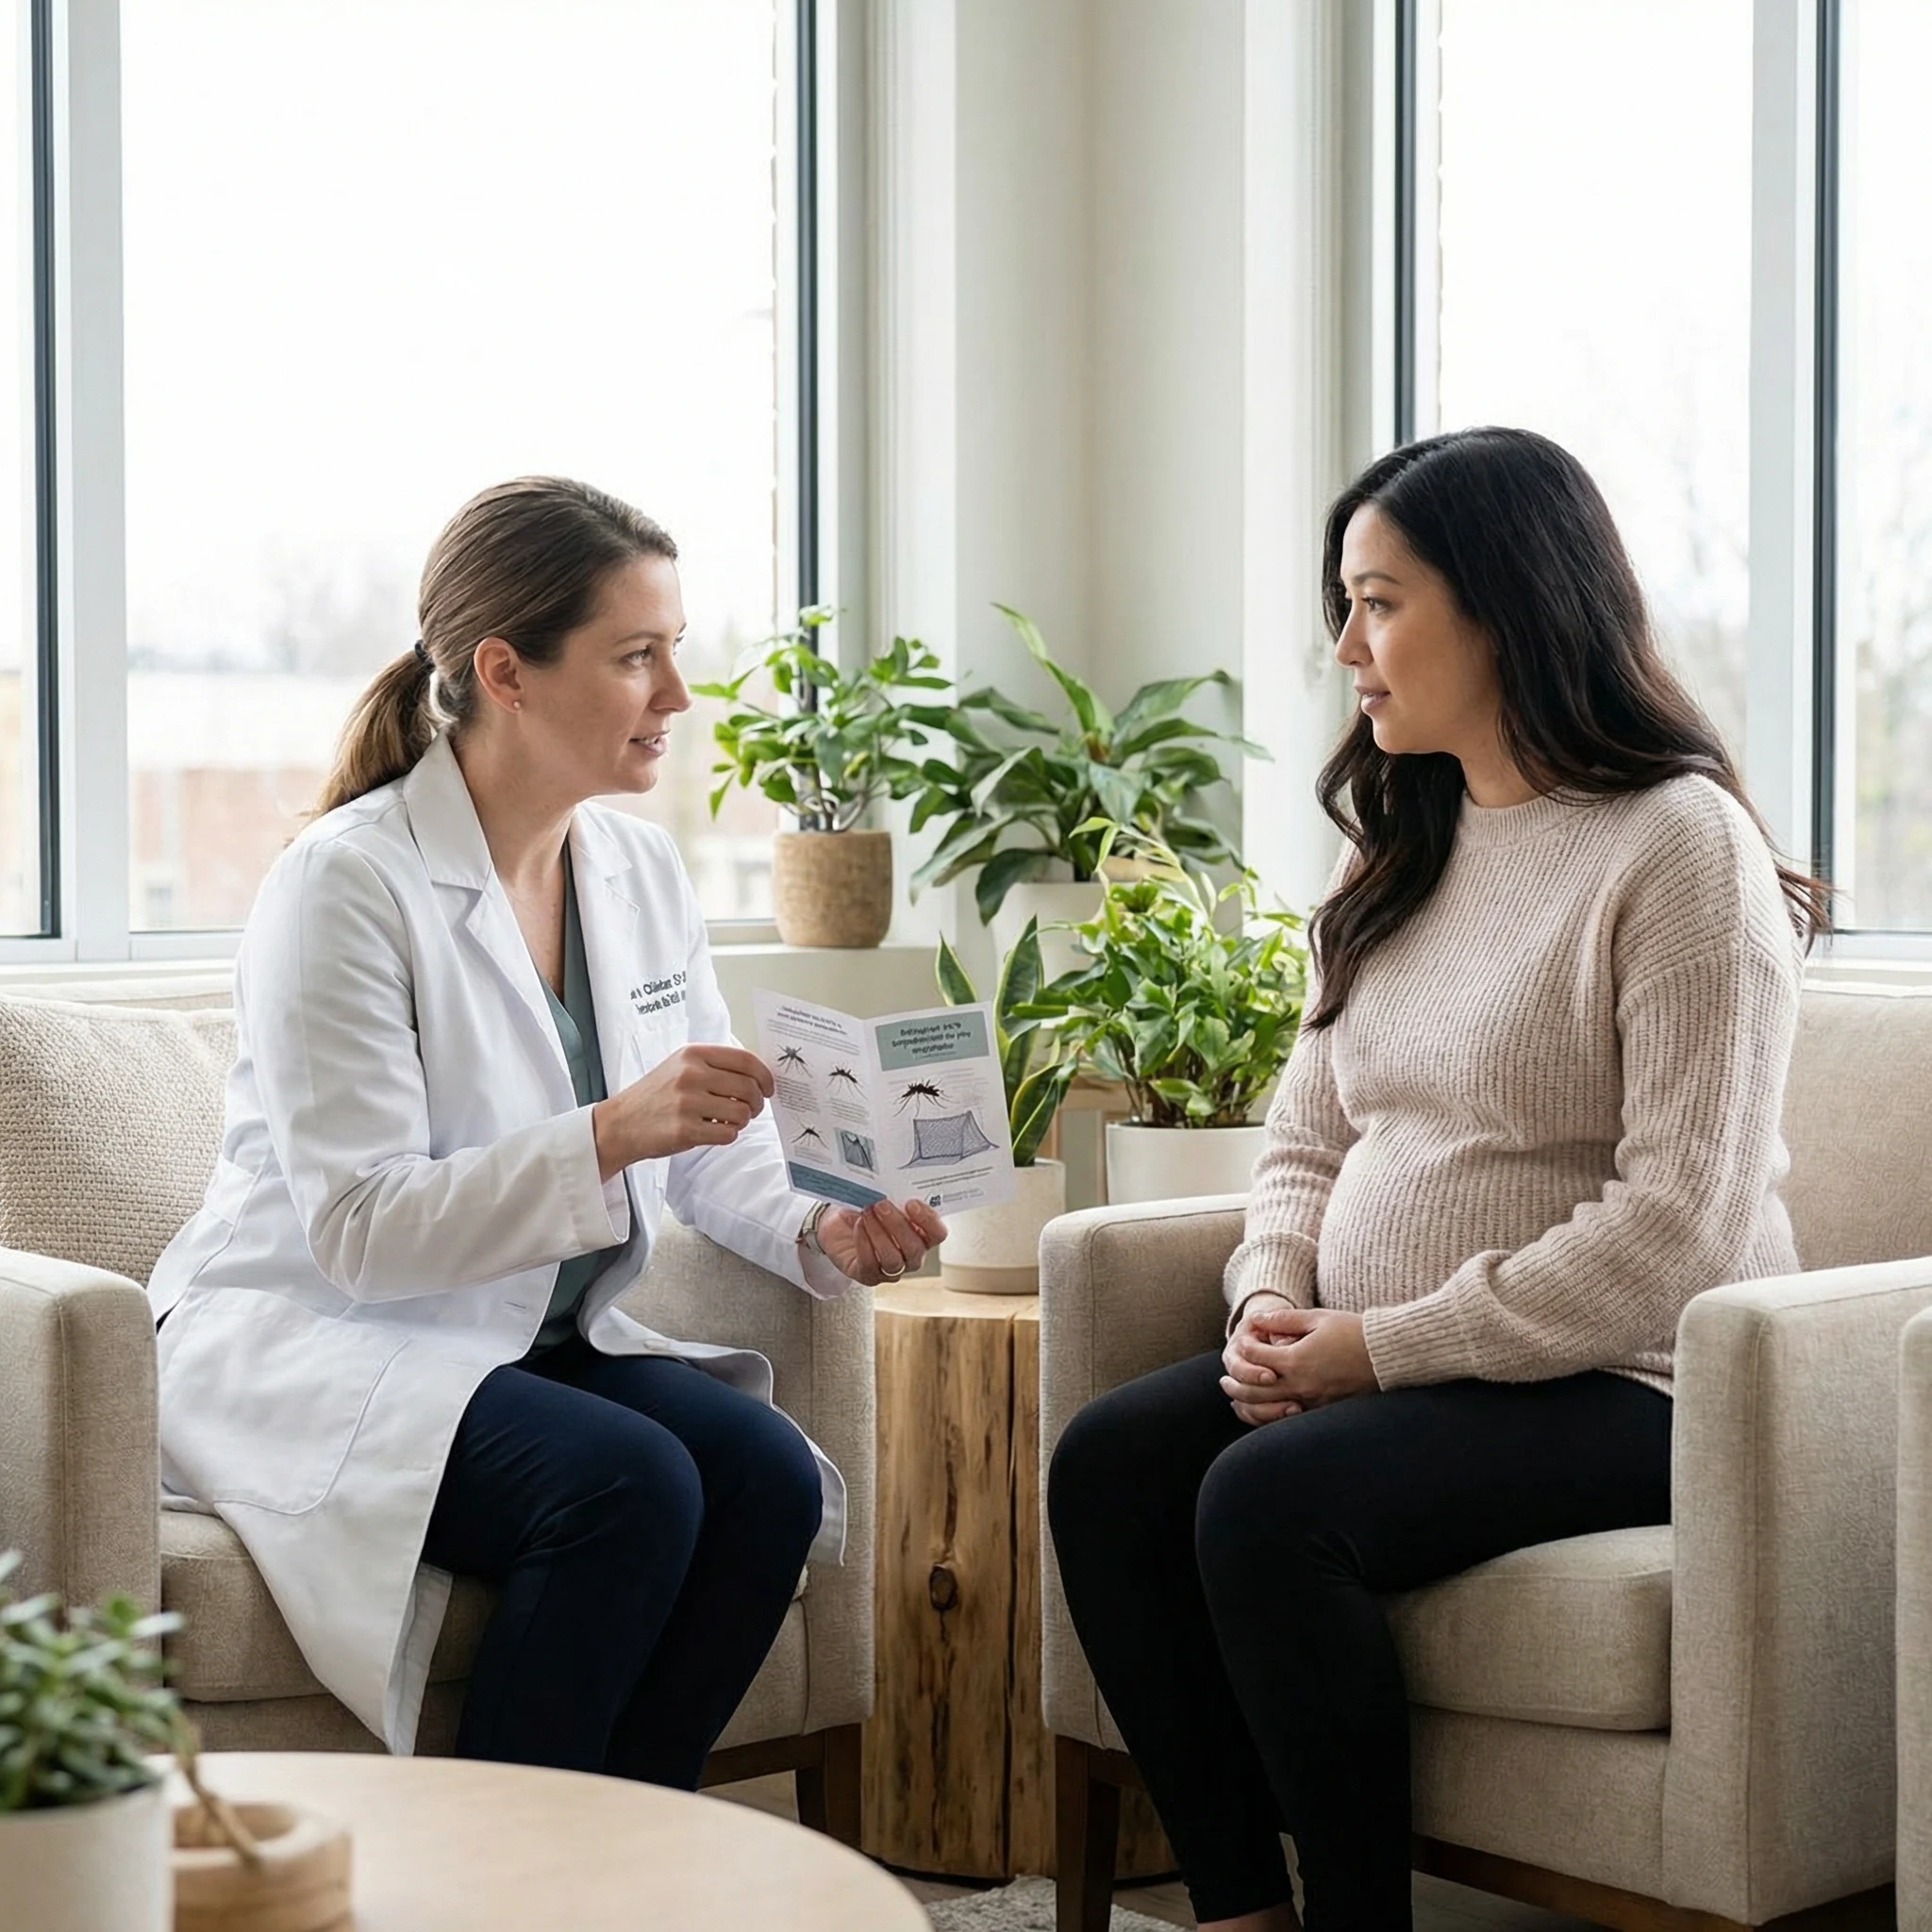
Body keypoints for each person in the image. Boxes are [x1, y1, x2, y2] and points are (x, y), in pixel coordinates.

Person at [1047, 427, 1827, 1931]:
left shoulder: (1678, 848)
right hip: (1385, 1361)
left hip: (1633, 1379)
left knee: (1267, 1505)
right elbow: (1305, 1139)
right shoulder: (1402, 842)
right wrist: (1273, 1301)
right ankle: (1234, 1912)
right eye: (1345, 604)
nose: (1346, 645)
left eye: (1380, 602)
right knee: (1109, 1461)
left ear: (1508, 607)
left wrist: (1379, 1351)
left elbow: (1683, 1223)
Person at [148, 476, 944, 1784]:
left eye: (674, 650)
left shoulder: (636, 870)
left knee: (766, 1481)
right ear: (505, 671)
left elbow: (706, 1142)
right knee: (628, 1486)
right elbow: (355, 1233)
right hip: (325, 1336)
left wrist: (822, 1225)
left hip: (519, 1341)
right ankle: (501, 1887)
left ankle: (617, 1856)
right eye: (639, 658)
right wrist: (606, 1132)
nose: (679, 697)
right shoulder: (346, 887)